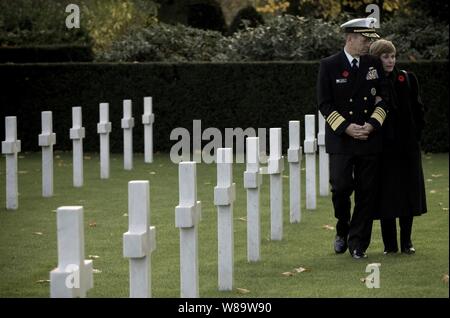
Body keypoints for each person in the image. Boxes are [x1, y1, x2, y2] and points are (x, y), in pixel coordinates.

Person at [317, 17, 389, 259]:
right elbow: (324, 104)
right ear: (350, 38)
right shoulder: (329, 65)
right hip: (342, 139)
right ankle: (342, 228)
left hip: (369, 138)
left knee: (367, 192)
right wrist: (347, 127)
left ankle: (358, 244)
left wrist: (371, 124)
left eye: (369, 39)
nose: (368, 43)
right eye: (364, 38)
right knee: (340, 187)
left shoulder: (373, 64)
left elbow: (384, 98)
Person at [369, 39, 427, 255]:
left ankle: (407, 242)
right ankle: (390, 246)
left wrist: (415, 137)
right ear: (376, 58)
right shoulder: (370, 83)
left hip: (407, 149)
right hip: (382, 150)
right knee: (386, 196)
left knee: (407, 194)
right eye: (386, 56)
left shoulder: (407, 78)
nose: (391, 60)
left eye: (393, 56)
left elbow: (418, 110)